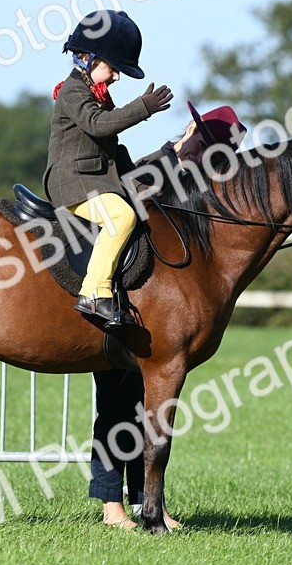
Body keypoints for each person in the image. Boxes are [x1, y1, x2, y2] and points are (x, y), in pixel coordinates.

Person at [91, 102, 248, 529]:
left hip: (159, 308)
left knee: (149, 406)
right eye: (208, 147)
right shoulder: (157, 168)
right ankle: (111, 506)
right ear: (193, 135)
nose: (210, 159)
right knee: (115, 405)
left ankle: (150, 504)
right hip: (124, 303)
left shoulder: (199, 187)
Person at [43, 9, 173, 329]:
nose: (116, 76)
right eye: (114, 68)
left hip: (92, 180)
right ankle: (94, 293)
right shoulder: (74, 90)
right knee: (121, 216)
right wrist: (143, 108)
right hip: (71, 181)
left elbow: (112, 153)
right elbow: (98, 126)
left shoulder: (96, 93)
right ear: (90, 58)